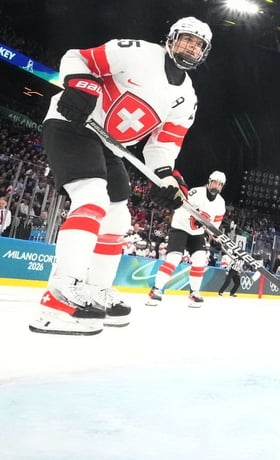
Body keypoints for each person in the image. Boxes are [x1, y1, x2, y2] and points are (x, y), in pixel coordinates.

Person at [28, 16, 212, 335]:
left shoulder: (188, 100)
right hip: (72, 124)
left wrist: (167, 180)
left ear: (204, 54)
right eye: (185, 39)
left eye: (198, 45)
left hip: (111, 146)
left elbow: (162, 148)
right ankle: (57, 296)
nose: (190, 47)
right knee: (92, 197)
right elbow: (78, 58)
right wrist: (79, 85)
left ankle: (97, 291)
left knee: (118, 218)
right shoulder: (138, 52)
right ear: (170, 39)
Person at [146, 171, 227, 308]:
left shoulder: (221, 204)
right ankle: (156, 290)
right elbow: (181, 208)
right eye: (214, 182)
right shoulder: (196, 192)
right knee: (174, 259)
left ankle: (194, 293)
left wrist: (214, 238)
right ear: (209, 181)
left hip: (197, 233)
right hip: (180, 228)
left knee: (200, 259)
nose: (216, 186)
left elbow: (213, 227)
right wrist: (196, 219)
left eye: (220, 184)